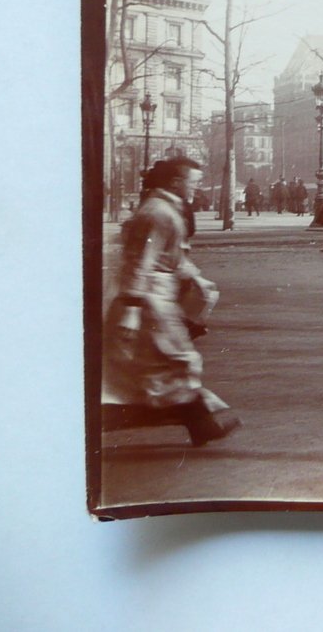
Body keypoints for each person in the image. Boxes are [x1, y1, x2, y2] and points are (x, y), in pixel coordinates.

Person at [101, 157, 241, 446]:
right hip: (151, 300)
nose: (197, 187)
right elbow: (139, 262)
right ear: (176, 182)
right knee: (174, 361)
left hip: (159, 297)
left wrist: (196, 278)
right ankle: (192, 420)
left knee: (164, 364)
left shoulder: (164, 209)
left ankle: (199, 423)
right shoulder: (157, 213)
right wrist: (131, 309)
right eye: (194, 181)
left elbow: (173, 256)